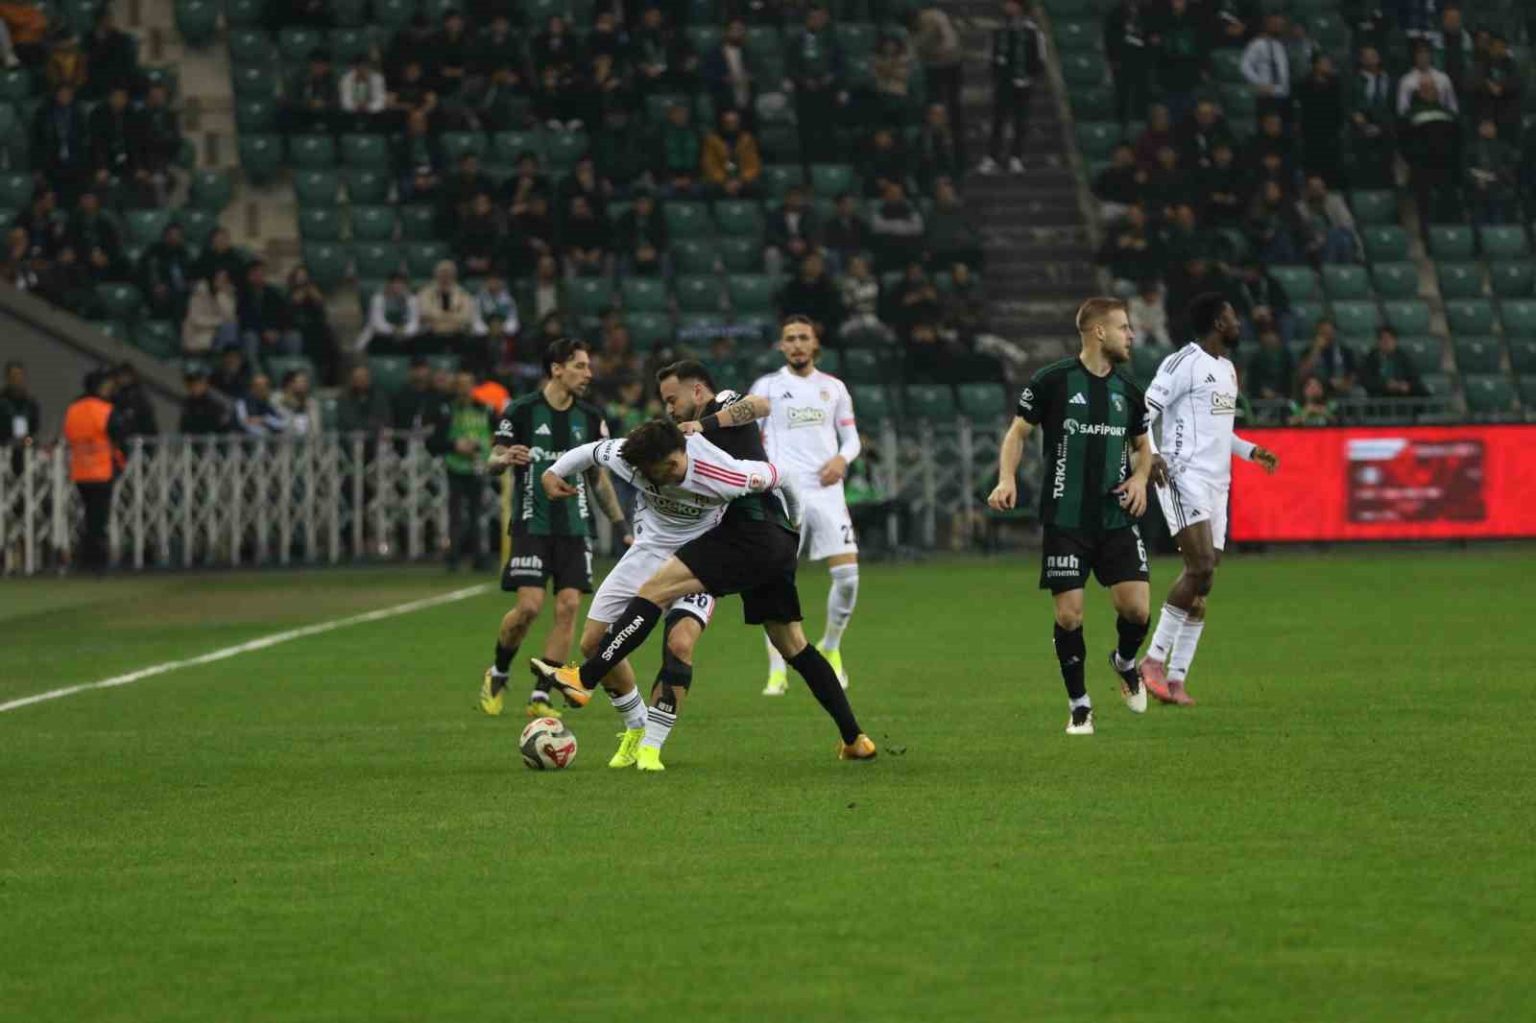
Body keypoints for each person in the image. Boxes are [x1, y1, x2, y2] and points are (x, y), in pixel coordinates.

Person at [528, 417, 877, 762]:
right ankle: (635, 724)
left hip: (703, 553)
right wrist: (552, 473)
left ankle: (601, 696)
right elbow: (590, 452)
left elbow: (782, 476)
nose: (669, 473)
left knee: (677, 635)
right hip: (650, 550)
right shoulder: (630, 456)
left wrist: (795, 523)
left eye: (673, 464)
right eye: (660, 469)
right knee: (592, 642)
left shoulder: (723, 472)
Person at [986, 298, 1156, 734]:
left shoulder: (1128, 390)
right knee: (1069, 616)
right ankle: (1080, 705)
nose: (1130, 335)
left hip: (1116, 516)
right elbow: (1017, 433)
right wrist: (1006, 479)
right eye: (1123, 327)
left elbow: (1143, 448)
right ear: (1099, 332)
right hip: (1066, 518)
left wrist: (1140, 479)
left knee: (1137, 611)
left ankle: (1125, 662)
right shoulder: (1052, 381)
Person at [1141, 294, 1280, 707]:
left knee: (1204, 581)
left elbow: (1221, 430)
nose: (1239, 323)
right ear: (1219, 323)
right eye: (1233, 317)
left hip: (1219, 484)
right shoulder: (1182, 363)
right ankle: (1152, 661)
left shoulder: (1227, 369)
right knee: (1199, 566)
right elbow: (1143, 412)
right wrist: (1152, 454)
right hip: (1183, 476)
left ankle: (1177, 678)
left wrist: (1250, 451)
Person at [479, 339, 627, 719]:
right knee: (528, 607)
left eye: (589, 366)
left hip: (575, 528)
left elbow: (598, 479)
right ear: (556, 369)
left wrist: (620, 525)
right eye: (580, 366)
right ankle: (498, 672)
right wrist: (503, 459)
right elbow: (492, 460)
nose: (588, 374)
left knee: (569, 606)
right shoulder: (522, 411)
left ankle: (541, 694)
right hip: (532, 523)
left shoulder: (591, 418)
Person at [749, 316, 863, 693]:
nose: (797, 344)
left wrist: (842, 459)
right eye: (790, 338)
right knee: (775, 581)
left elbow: (851, 439)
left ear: (815, 344)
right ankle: (776, 668)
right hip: (783, 494)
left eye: (803, 338)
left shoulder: (834, 388)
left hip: (827, 491)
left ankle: (831, 646)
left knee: (848, 577)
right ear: (781, 346)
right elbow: (748, 435)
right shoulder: (766, 386)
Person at [62, 369, 128, 573]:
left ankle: (86, 558)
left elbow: (68, 434)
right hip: (102, 470)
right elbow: (120, 436)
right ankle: (96, 562)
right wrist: (121, 463)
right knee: (99, 520)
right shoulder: (105, 409)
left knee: (88, 516)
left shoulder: (73, 409)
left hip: (80, 470)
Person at [429, 371, 495, 572]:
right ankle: (454, 557)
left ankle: (479, 557)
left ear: (473, 386)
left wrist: (489, 448)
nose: (464, 389)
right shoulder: (446, 411)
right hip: (455, 466)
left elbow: (499, 433)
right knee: (455, 515)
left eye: (467, 385)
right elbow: (434, 442)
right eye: (460, 385)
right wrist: (455, 445)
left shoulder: (485, 409)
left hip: (478, 466)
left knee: (477, 514)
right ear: (455, 388)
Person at [977, 0, 1043, 175]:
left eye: (1011, 3)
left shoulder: (1031, 31)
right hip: (1003, 83)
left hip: (1023, 82)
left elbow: (1038, 57)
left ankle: (1016, 157)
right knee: (998, 120)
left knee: (1020, 122)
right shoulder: (999, 30)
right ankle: (992, 157)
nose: (1007, 7)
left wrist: (1029, 77)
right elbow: (992, 55)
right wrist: (996, 77)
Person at [1240, 14, 1291, 122]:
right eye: (1275, 24)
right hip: (1265, 95)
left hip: (1282, 94)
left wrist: (1285, 88)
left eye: (1280, 24)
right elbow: (1245, 67)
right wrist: (1259, 84)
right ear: (1267, 25)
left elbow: (1283, 70)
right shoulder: (1257, 44)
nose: (1278, 27)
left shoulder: (1281, 46)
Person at [359, 273, 422, 352]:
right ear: (388, 285)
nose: (398, 287)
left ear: (406, 286)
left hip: (405, 334)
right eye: (395, 284)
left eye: (401, 284)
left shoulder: (412, 300)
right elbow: (377, 322)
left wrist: (404, 331)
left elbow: (414, 322)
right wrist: (394, 330)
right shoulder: (378, 299)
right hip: (381, 334)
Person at [1360, 326, 1424, 400]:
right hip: (1379, 397)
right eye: (1383, 339)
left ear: (1395, 341)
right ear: (1378, 342)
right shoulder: (1371, 358)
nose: (1387, 342)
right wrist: (1385, 385)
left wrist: (1407, 385)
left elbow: (1415, 378)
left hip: (1402, 397)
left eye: (1390, 339)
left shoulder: (1403, 357)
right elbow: (1366, 380)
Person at [1, 361, 41, 473]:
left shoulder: (30, 403)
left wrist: (28, 439)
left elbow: (35, 426)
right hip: (4, 450)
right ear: (7, 378)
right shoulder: (2, 402)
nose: (17, 379)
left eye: (19, 375)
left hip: (26, 451)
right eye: (13, 376)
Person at [336, 364, 391, 433]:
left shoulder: (379, 396)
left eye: (365, 377)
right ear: (352, 380)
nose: (362, 380)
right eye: (358, 378)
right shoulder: (344, 398)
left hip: (376, 434)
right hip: (352, 435)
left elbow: (385, 418)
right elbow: (348, 421)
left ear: (370, 378)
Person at [180, 369, 230, 435]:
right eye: (191, 385)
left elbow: (223, 423)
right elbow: (184, 425)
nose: (193, 388)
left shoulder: (215, 399)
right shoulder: (189, 401)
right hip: (195, 437)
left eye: (197, 384)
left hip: (215, 436)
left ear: (205, 384)